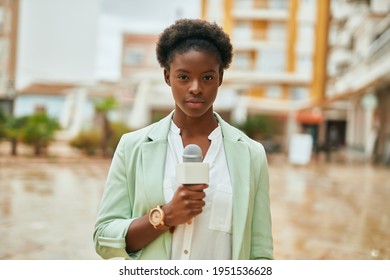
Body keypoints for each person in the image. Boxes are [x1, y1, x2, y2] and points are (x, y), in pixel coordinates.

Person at [93, 18, 273, 260]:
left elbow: (260, 253)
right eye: (184, 77)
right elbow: (103, 238)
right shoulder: (132, 147)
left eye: (207, 77)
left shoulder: (251, 154)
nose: (196, 88)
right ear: (168, 77)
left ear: (220, 77)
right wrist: (165, 216)